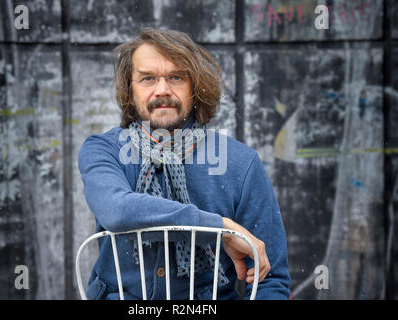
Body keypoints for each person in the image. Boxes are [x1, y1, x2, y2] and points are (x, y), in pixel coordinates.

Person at [78, 28, 290, 300]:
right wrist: (219, 228)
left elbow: (269, 280)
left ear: (195, 88)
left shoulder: (240, 162)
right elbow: (117, 209)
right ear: (130, 92)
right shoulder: (103, 150)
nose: (162, 90)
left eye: (176, 77)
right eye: (147, 79)